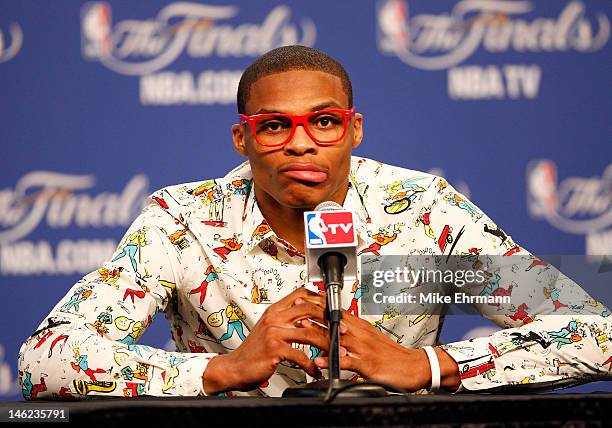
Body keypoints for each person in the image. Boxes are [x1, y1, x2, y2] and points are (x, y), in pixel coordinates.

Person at [18, 46, 611, 399]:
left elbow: (597, 332)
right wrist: (220, 369)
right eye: (275, 126)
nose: (302, 144)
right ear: (243, 138)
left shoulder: (420, 216)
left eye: (324, 122)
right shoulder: (185, 221)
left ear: (353, 130)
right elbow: (44, 361)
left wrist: (429, 365)